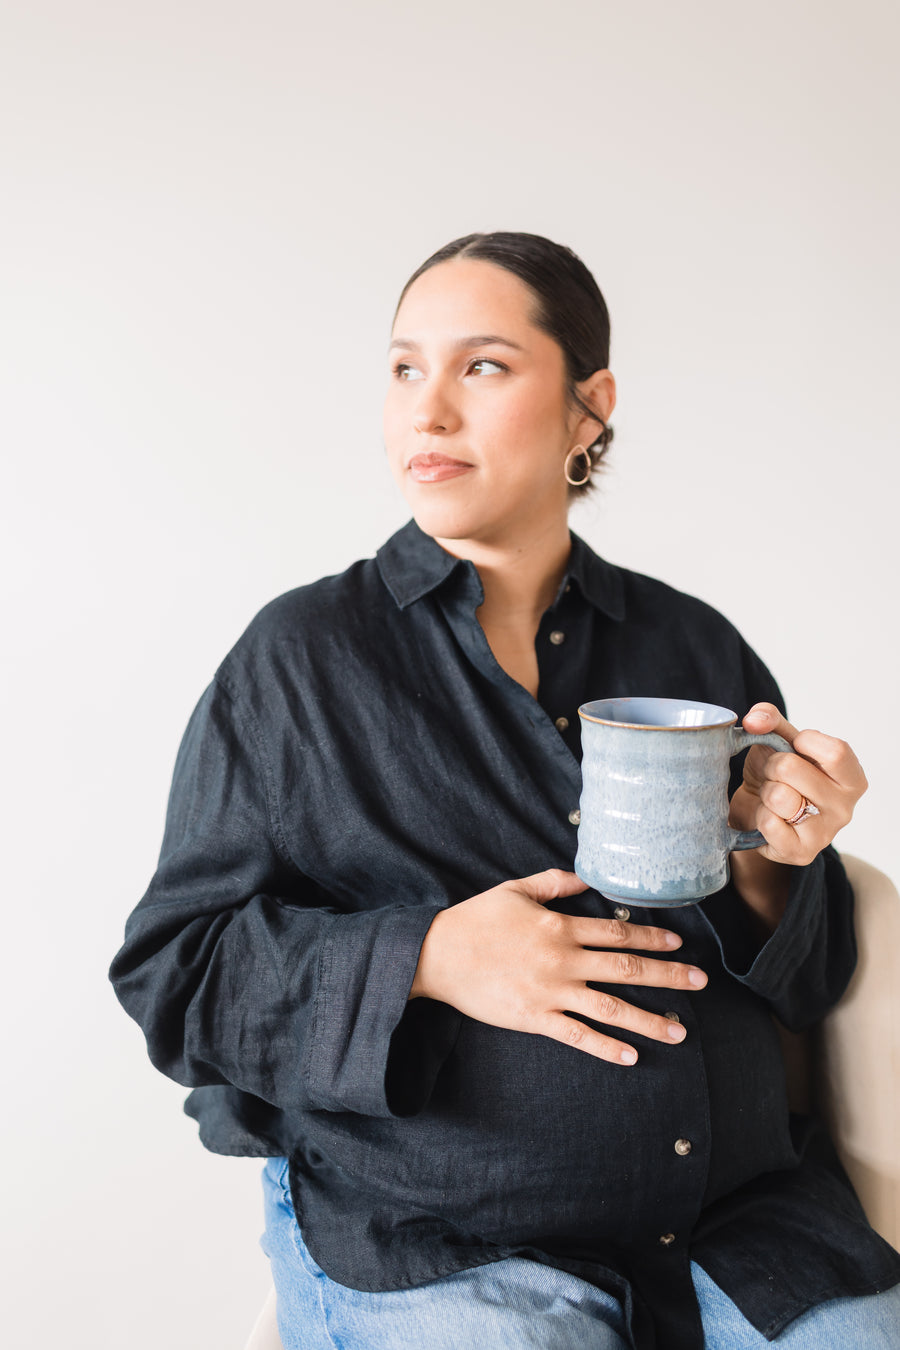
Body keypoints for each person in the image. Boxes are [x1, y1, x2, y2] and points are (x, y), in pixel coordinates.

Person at [110, 232, 900, 1350]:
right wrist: (430, 960)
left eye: (481, 366)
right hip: (438, 1238)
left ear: (589, 407)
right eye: (402, 368)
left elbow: (807, 988)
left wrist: (782, 851)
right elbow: (176, 979)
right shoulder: (301, 661)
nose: (426, 412)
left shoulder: (694, 644)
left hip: (743, 1227)